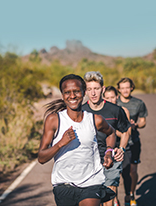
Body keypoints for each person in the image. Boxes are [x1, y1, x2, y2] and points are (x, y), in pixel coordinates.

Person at [38, 74, 122, 206]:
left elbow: (111, 133)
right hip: (63, 184)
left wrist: (109, 152)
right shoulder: (54, 120)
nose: (72, 96)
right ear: (62, 95)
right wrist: (60, 143)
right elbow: (41, 158)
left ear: (84, 93)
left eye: (76, 91)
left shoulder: (95, 120)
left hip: (91, 182)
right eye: (67, 92)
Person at [82, 72, 131, 206]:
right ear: (85, 91)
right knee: (93, 199)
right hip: (89, 161)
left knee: (109, 197)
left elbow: (126, 131)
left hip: (111, 158)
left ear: (102, 89)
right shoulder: (81, 111)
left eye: (96, 89)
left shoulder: (115, 110)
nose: (93, 93)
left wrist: (121, 148)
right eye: (90, 89)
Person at [117, 78, 148, 206]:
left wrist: (136, 125)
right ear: (119, 89)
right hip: (117, 143)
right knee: (118, 173)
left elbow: (143, 121)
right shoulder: (114, 103)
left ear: (131, 88)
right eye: (122, 88)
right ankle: (114, 199)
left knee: (132, 171)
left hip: (134, 141)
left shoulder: (139, 103)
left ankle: (131, 194)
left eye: (127, 87)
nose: (125, 90)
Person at [103, 85, 132, 206]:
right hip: (104, 150)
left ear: (117, 97)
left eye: (112, 97)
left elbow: (127, 131)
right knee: (108, 182)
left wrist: (111, 131)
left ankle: (128, 196)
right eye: (107, 97)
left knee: (122, 176)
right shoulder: (102, 111)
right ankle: (115, 200)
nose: (110, 100)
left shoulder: (122, 110)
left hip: (120, 148)